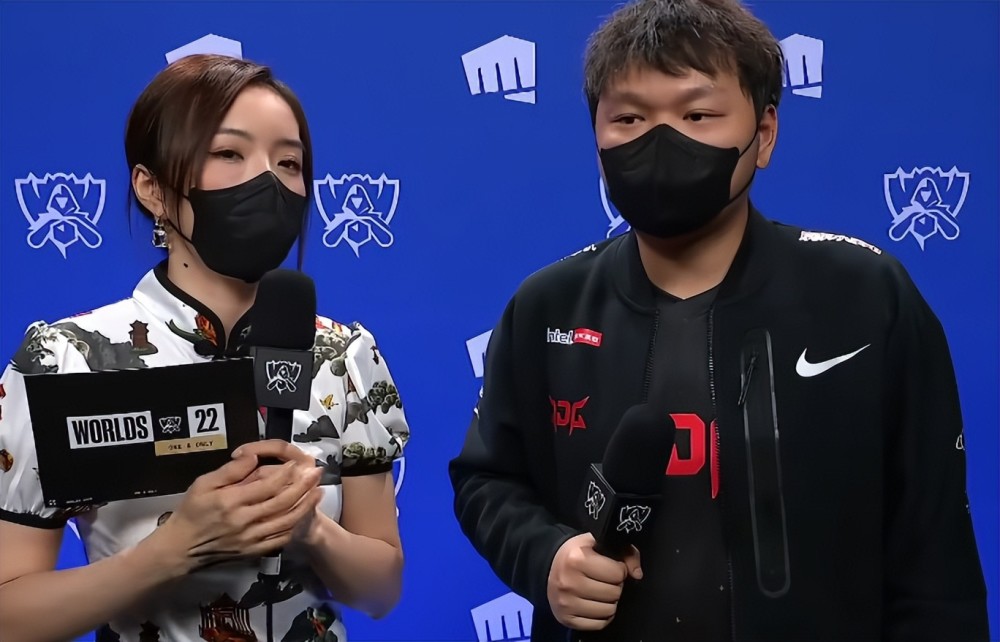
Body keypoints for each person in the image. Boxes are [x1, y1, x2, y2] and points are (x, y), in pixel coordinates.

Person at [449, 0, 990, 640]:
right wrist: (547, 558)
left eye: (697, 115)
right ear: (596, 140)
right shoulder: (548, 306)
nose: (661, 140)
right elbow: (487, 480)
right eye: (629, 118)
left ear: (765, 134)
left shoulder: (866, 297)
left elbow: (934, 555)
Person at [0, 54, 410, 642]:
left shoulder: (343, 355)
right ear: (152, 189)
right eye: (229, 154)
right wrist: (175, 548)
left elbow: (381, 590)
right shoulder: (66, 359)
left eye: (289, 162)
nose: (268, 181)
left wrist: (310, 528)